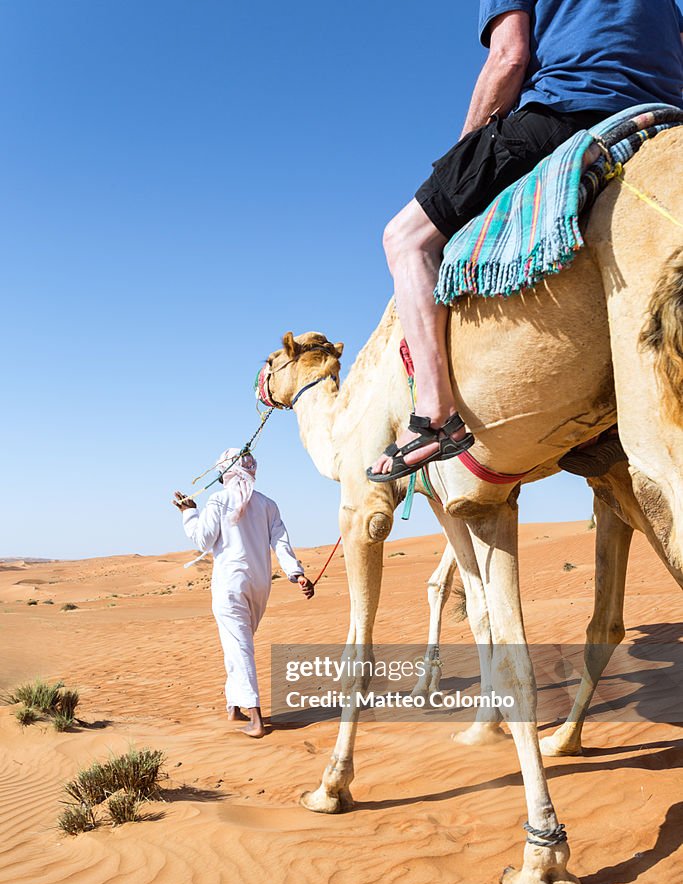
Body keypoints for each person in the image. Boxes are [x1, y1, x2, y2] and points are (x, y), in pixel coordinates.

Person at [368, 0, 683, 482]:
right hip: (665, 115)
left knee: (405, 238)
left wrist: (463, 154)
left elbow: (509, 57)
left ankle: (434, 416)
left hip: (566, 111)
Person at [173, 449, 314, 738]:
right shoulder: (268, 504)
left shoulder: (219, 500)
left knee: (239, 646)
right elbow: (282, 542)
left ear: (225, 471)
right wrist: (296, 573)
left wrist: (189, 513)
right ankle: (234, 705)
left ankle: (256, 718)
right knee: (237, 643)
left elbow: (202, 540)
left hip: (230, 584)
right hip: (260, 585)